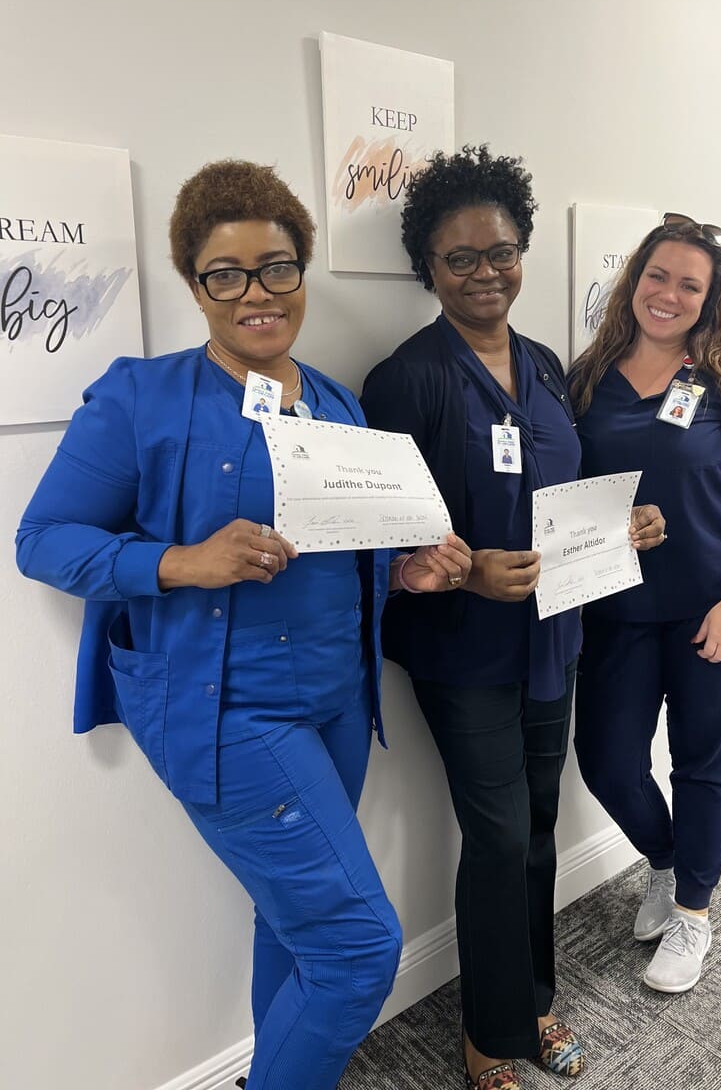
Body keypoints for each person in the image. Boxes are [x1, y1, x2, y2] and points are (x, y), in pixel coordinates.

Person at [15, 159, 472, 1090]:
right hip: (229, 715)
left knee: (293, 921)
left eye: (277, 268)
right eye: (226, 273)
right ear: (195, 284)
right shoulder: (140, 397)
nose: (255, 293)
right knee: (357, 949)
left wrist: (411, 570)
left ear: (302, 273)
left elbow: (357, 555)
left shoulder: (341, 407)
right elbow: (41, 540)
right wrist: (181, 561)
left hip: (339, 707)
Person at [361, 145, 665, 1090]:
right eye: (461, 259)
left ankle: (535, 1000)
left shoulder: (542, 366)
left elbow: (564, 492)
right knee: (496, 836)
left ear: (522, 250)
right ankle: (490, 1036)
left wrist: (625, 526)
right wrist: (461, 573)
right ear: (430, 270)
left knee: (536, 825)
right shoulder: (404, 379)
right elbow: (379, 535)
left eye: (502, 251)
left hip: (554, 638)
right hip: (463, 653)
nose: (486, 272)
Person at [569, 212, 721, 995]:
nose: (667, 295)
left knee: (703, 763)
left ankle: (693, 913)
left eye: (688, 284)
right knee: (608, 762)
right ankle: (665, 860)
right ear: (635, 280)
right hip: (615, 608)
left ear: (710, 298)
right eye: (657, 276)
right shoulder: (588, 378)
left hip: (712, 611)